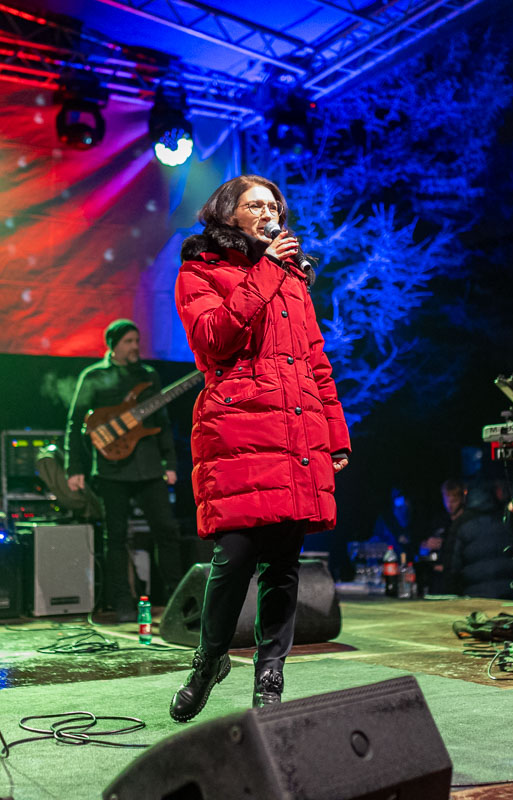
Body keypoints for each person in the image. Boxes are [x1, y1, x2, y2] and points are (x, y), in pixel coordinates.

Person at [168, 175, 350, 721]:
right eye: (255, 205)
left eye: (274, 206)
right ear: (228, 214)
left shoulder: (293, 280)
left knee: (284, 564)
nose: (269, 212)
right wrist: (267, 270)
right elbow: (213, 338)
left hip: (295, 431)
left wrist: (335, 433)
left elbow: (315, 362)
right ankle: (209, 660)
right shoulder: (200, 271)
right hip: (240, 429)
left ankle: (270, 675)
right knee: (234, 559)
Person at [65, 319, 183, 621]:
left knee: (167, 531)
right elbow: (75, 424)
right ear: (113, 345)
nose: (135, 347)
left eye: (137, 341)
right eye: (129, 342)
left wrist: (170, 463)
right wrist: (74, 468)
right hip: (111, 470)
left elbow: (163, 422)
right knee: (115, 537)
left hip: (148, 467)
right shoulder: (94, 376)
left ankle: (177, 598)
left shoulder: (149, 375)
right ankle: (122, 603)